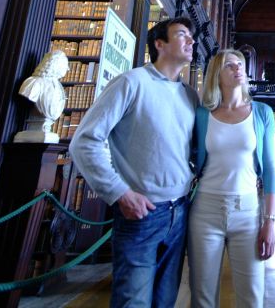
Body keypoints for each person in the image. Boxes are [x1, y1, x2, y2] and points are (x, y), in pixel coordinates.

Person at [70, 17, 197, 308]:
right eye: (182, 35)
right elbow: (85, 141)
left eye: (191, 36)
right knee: (133, 302)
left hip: (180, 212)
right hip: (142, 215)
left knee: (165, 301)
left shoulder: (189, 95)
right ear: (159, 44)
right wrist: (119, 192)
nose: (191, 41)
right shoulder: (131, 82)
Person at [189, 49, 275, 308]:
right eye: (230, 65)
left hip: (248, 212)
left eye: (240, 64)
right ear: (217, 74)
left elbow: (271, 168)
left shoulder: (262, 112)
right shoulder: (202, 115)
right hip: (205, 212)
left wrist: (269, 221)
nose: (238, 68)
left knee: (252, 296)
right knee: (202, 297)